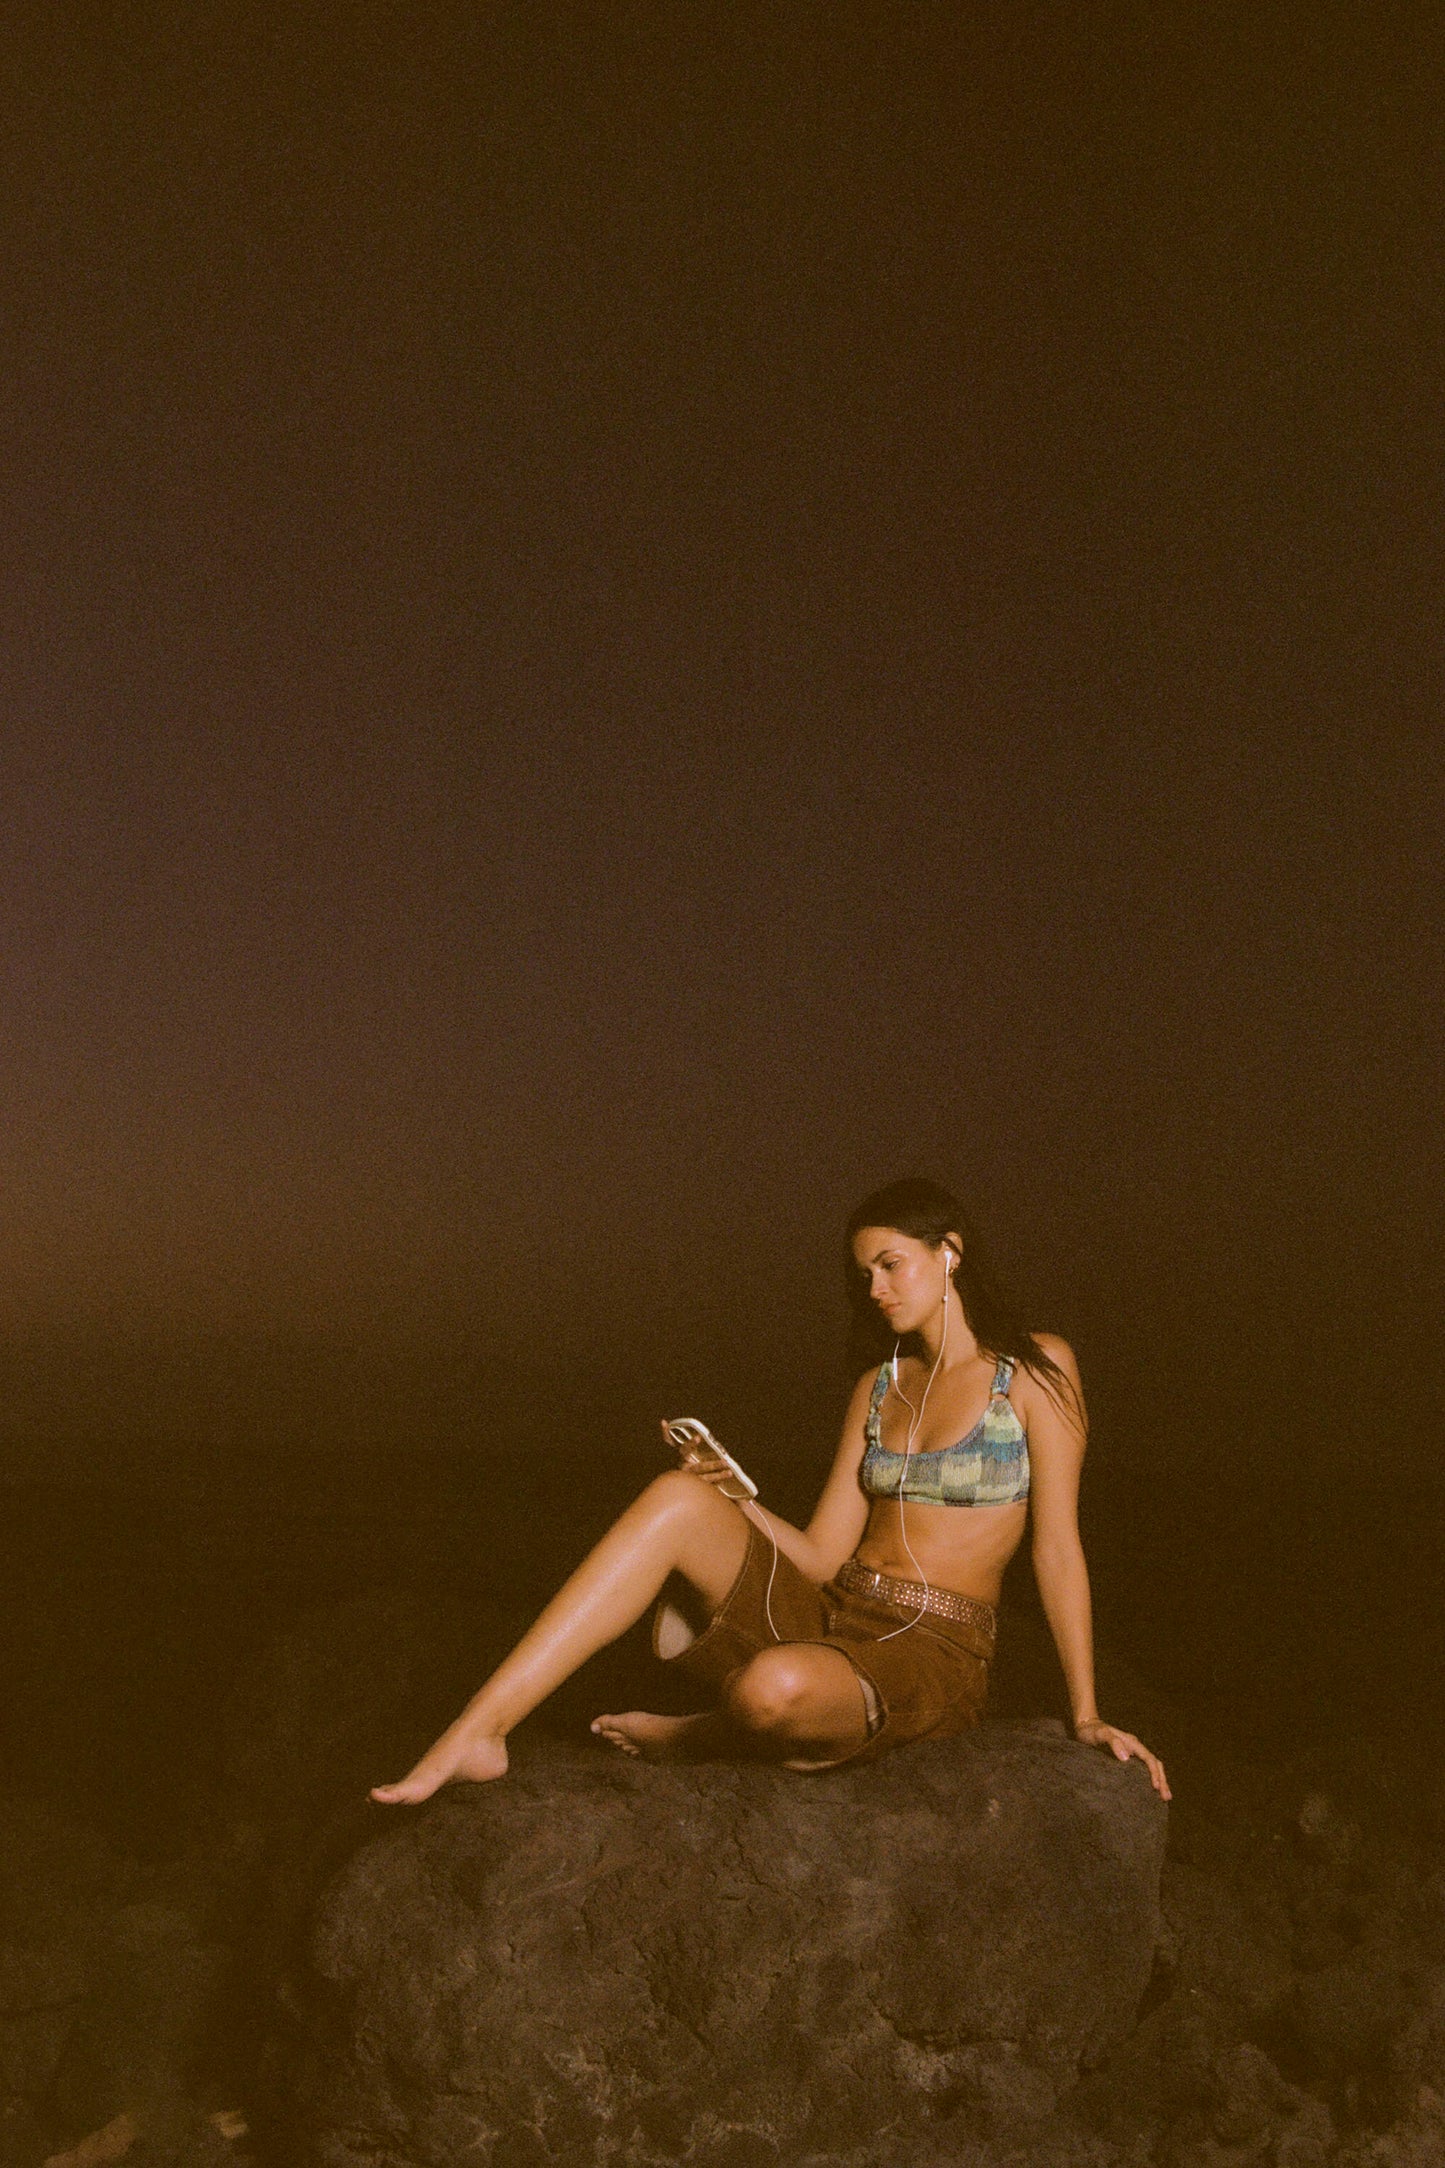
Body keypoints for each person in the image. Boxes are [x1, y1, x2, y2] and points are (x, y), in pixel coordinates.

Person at [370, 1178, 1169, 1803]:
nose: (876, 1289)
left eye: (891, 1264)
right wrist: (732, 1497)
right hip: (836, 1610)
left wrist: (1087, 1712)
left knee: (772, 1688)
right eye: (864, 1276)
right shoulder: (876, 1387)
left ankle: (702, 1733)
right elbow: (824, 1554)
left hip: (935, 1651)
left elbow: (1058, 1547)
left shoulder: (1033, 1368)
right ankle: (479, 1730)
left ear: (949, 1252)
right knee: (676, 1499)